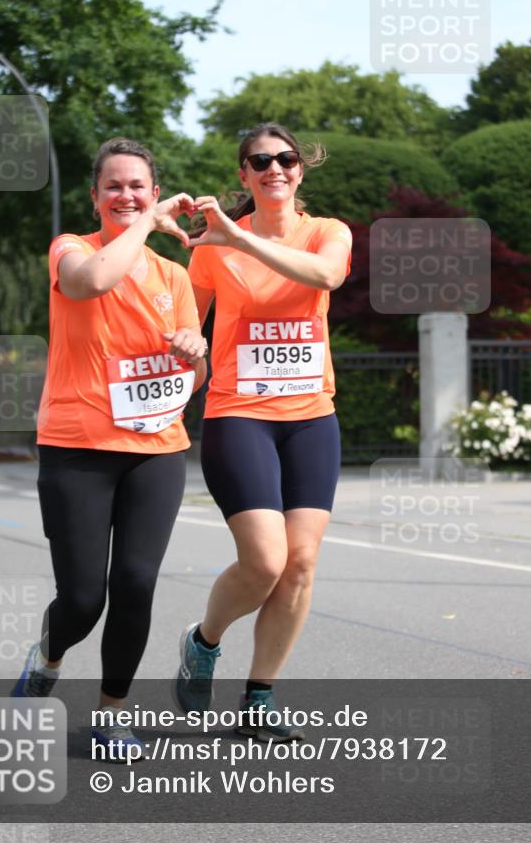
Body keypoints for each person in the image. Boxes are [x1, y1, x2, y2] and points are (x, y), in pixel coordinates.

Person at [11, 137, 207, 762]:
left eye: (139, 186)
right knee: (82, 599)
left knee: (136, 583)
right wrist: (147, 224)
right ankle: (47, 655)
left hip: (156, 448)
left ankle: (109, 714)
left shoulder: (175, 277)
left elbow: (193, 377)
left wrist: (193, 354)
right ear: (95, 197)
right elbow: (93, 283)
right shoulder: (71, 249)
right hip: (76, 447)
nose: (127, 195)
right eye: (115, 186)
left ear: (155, 189)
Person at [173, 122, 352, 741]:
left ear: (301, 170)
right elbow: (185, 326)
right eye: (260, 161)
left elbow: (324, 277)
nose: (275, 168)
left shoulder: (328, 232)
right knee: (266, 560)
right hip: (239, 414)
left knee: (300, 564)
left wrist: (239, 242)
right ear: (244, 175)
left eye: (286, 159)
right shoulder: (213, 244)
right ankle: (204, 641)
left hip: (311, 418)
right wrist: (188, 346)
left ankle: (258, 700)